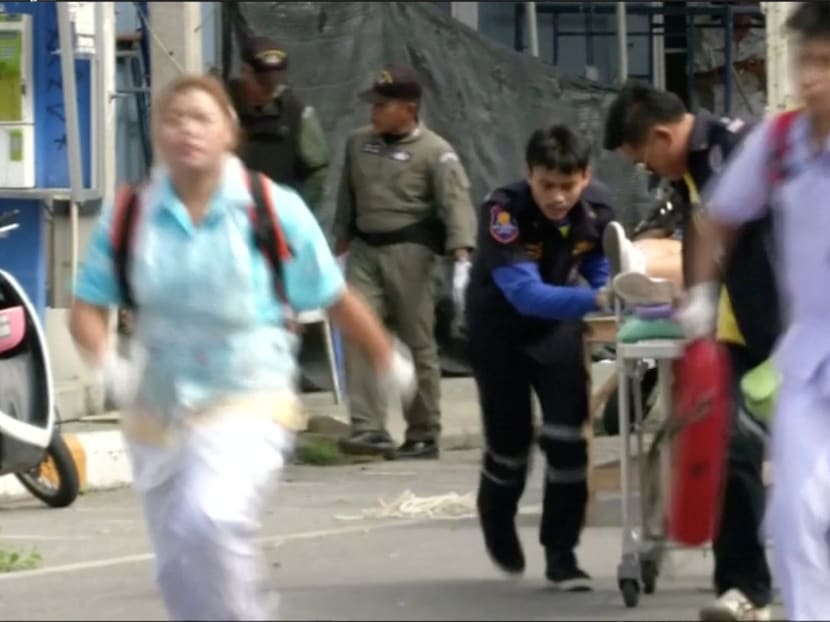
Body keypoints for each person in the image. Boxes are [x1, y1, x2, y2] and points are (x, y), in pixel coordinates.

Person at [68, 74, 415, 621]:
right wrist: (108, 363)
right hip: (156, 410)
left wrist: (383, 357)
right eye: (174, 117)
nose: (187, 129)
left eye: (201, 117)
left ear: (229, 131)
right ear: (156, 132)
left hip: (247, 396)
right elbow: (87, 306)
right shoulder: (133, 213)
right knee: (178, 561)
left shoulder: (269, 208)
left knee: (211, 517)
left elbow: (333, 295)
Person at [603, 80, 776, 621]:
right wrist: (700, 294)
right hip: (745, 327)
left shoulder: (735, 148)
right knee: (731, 447)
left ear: (660, 135)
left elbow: (726, 221)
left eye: (643, 160)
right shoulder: (695, 169)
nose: (649, 172)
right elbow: (701, 227)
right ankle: (745, 589)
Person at [682, 3, 830, 619]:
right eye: (806, 62)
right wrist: (700, 297)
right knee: (793, 511)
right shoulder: (778, 141)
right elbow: (717, 220)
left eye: (827, 63)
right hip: (807, 359)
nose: (813, 77)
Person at [465, 124, 613, 591]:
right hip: (499, 332)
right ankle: (496, 515)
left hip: (558, 333)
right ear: (529, 174)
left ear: (585, 177)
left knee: (569, 442)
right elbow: (524, 294)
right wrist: (599, 301)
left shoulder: (599, 208)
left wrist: (613, 286)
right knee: (510, 446)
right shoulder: (503, 211)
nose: (557, 197)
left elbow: (597, 263)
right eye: (547, 184)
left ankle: (562, 554)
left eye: (567, 186)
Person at [332, 65, 477, 460]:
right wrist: (339, 247)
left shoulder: (435, 152)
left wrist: (462, 256)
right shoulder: (358, 144)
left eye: (383, 105)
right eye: (373, 104)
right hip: (365, 250)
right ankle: (367, 427)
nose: (373, 112)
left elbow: (455, 203)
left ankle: (423, 431)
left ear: (408, 108)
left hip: (411, 254)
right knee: (361, 333)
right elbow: (347, 198)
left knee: (418, 343)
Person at [227, 36, 329, 214]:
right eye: (263, 83)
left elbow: (317, 171)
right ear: (245, 72)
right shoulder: (219, 107)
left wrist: (297, 213)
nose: (270, 89)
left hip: (275, 221)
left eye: (275, 83)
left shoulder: (296, 113)